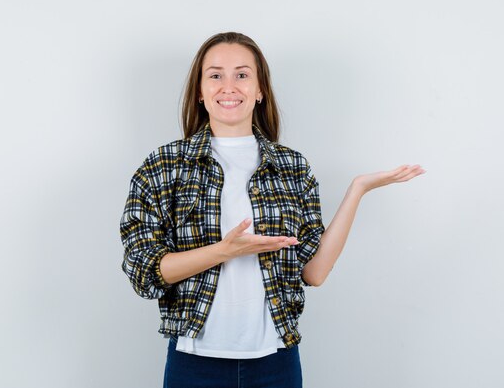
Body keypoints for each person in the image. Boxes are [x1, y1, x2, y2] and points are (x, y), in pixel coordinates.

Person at [120, 31, 425, 388]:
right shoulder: (164, 165)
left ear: (260, 89)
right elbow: (145, 271)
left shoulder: (292, 166)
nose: (229, 86)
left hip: (275, 364)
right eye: (215, 75)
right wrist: (225, 251)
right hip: (195, 363)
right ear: (200, 92)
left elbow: (314, 272)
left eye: (242, 74)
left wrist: (357, 190)